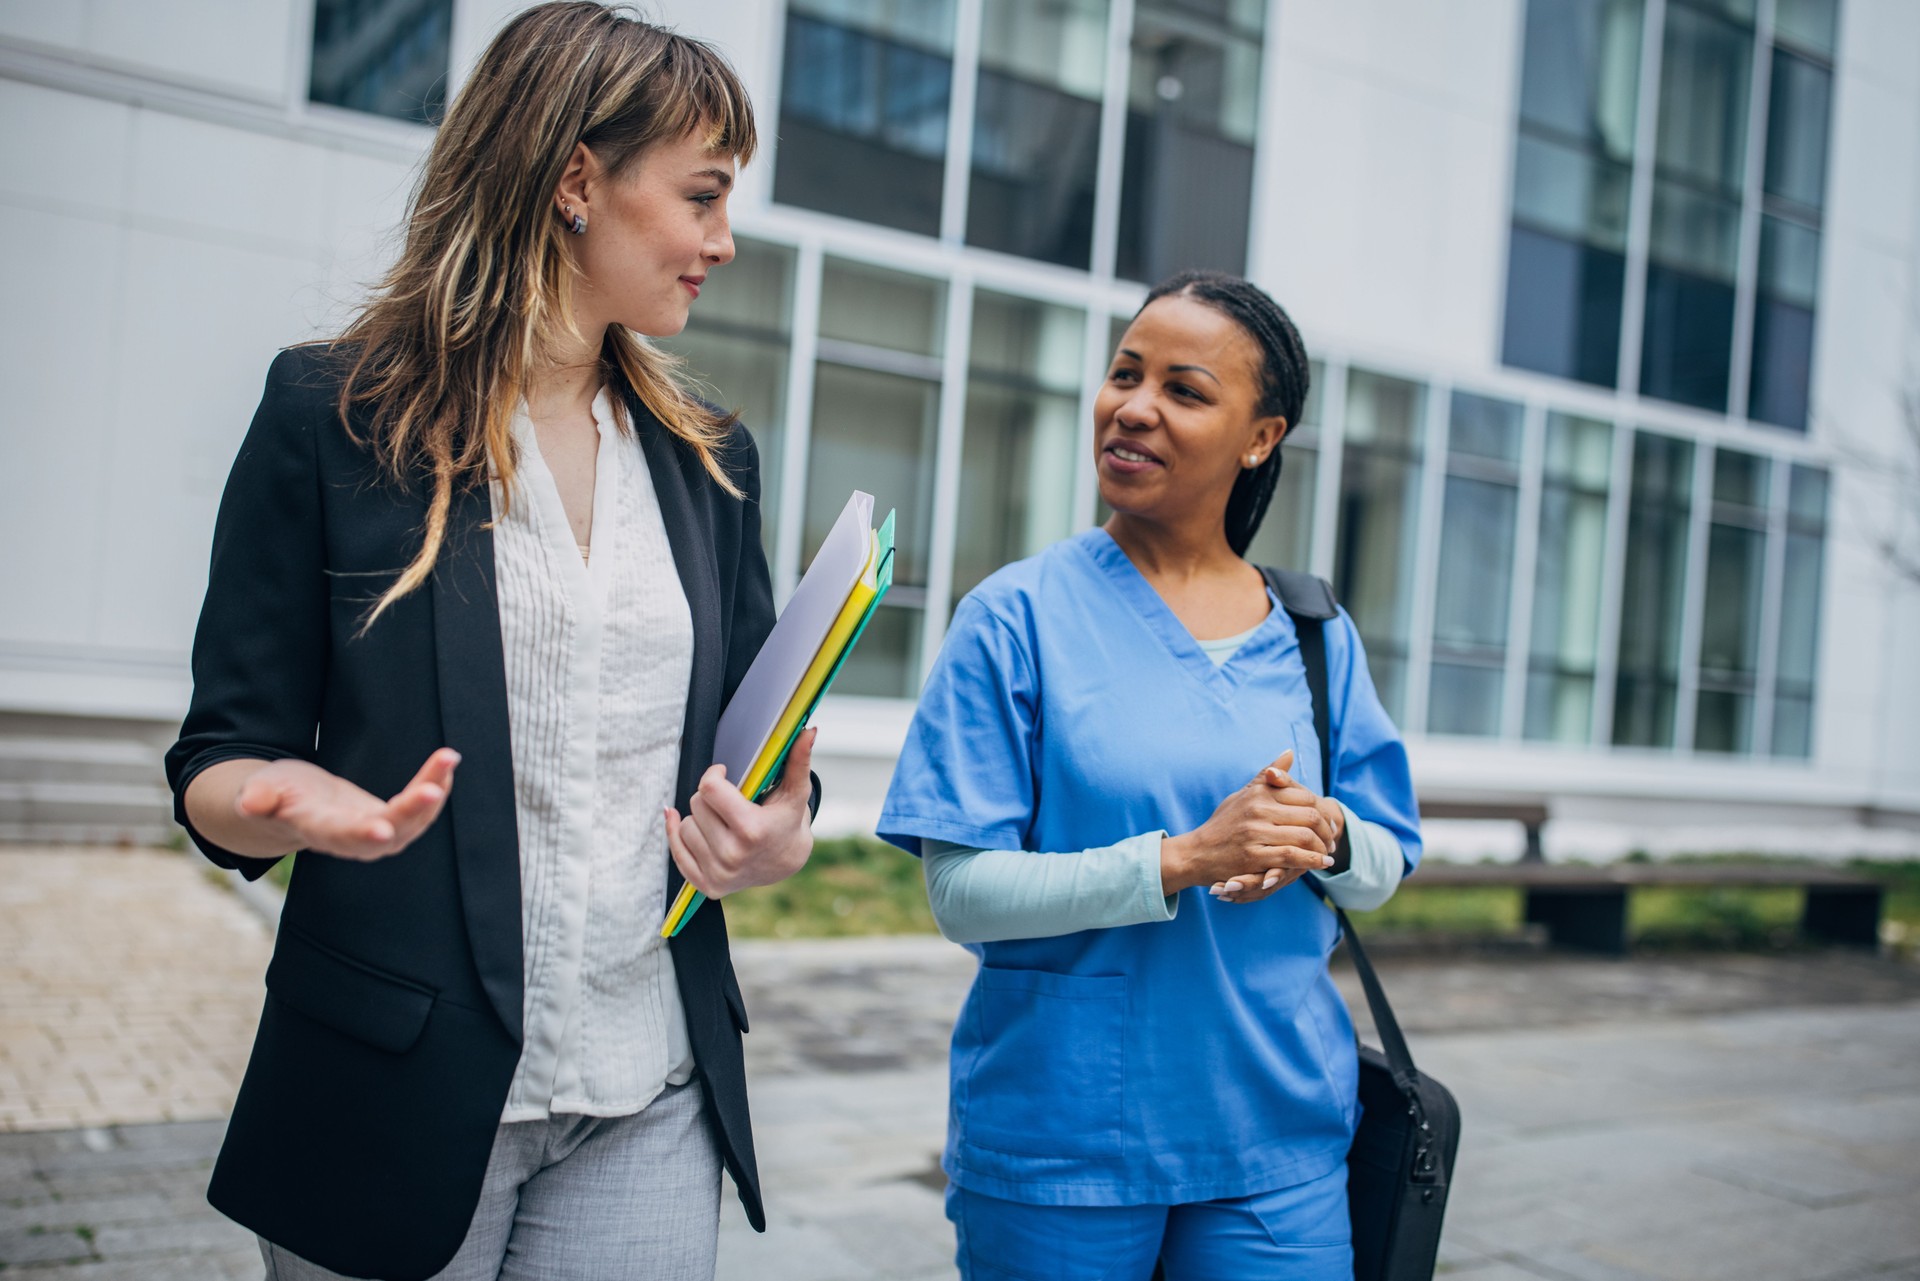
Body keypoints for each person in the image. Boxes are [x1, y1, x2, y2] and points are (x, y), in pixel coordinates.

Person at [163, 6, 814, 1278]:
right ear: (576, 179)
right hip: (392, 1095)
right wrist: (281, 802)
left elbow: (756, 746)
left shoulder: (711, 462)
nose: (723, 242)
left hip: (650, 1090)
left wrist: (780, 830)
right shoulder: (332, 415)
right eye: (702, 196)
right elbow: (219, 761)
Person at [877, 271, 1422, 1279]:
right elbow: (961, 894)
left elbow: (1383, 866)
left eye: (1185, 389)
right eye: (1125, 374)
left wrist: (1325, 834)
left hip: (1277, 1139)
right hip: (1063, 1143)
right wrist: (1184, 859)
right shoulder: (1014, 619)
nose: (1133, 407)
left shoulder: (1314, 634)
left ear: (1261, 436)